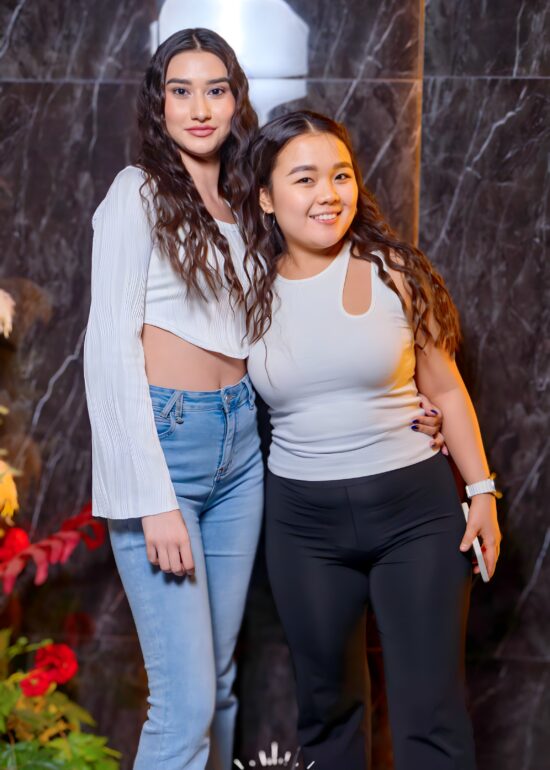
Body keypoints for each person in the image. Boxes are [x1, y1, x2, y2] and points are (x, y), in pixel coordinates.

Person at [244, 111, 502, 770]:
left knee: (431, 713)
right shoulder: (243, 292)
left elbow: (446, 390)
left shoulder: (395, 271)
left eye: (341, 175)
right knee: (326, 711)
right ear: (267, 198)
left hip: (415, 514)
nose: (328, 194)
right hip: (302, 525)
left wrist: (481, 492)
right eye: (305, 179)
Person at [84, 29, 266, 770]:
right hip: (167, 448)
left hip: (241, 450)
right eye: (181, 91)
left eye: (215, 90)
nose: (200, 108)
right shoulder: (137, 193)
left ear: (235, 98)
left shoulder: (248, 200)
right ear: (158, 104)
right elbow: (107, 347)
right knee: (184, 703)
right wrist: (152, 498)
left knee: (217, 688)